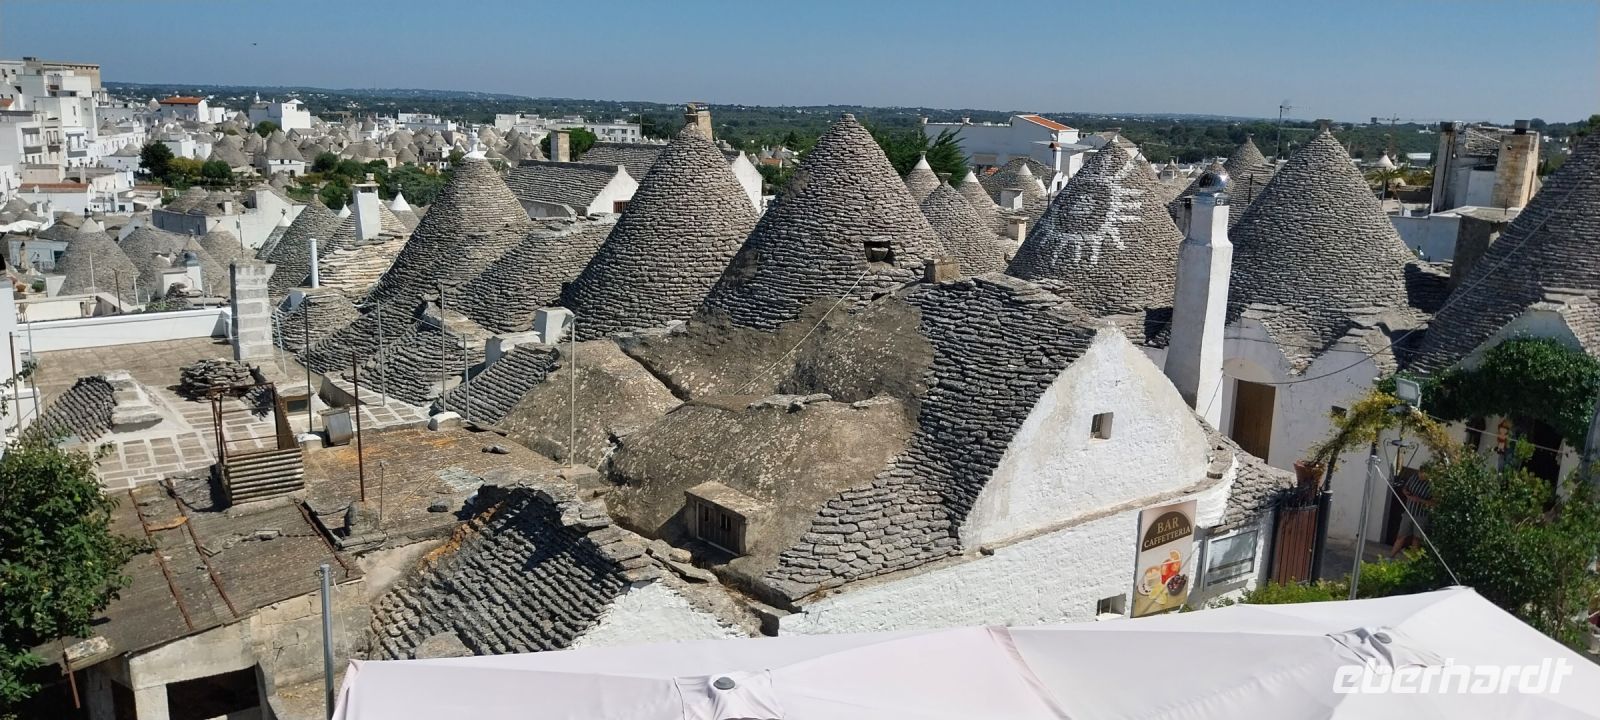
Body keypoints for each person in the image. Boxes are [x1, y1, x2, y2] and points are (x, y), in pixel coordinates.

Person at [1390, 467, 1434, 557]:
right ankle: (1391, 557)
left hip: (1421, 515)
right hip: (1408, 512)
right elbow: (1404, 488)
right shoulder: (1414, 477)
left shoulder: (1432, 485)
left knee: (1416, 539)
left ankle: (1413, 560)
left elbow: (1434, 503)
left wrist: (1419, 500)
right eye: (1419, 474)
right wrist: (1407, 493)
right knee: (1401, 536)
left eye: (1423, 475)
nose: (1420, 476)